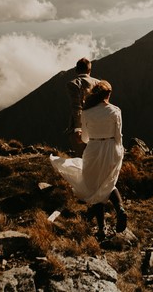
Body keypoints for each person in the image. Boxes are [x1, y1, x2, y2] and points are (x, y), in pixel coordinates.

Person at [50, 80, 128, 240]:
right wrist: (118, 151)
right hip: (112, 149)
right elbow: (118, 136)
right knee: (109, 182)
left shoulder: (87, 112)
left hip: (93, 149)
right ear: (108, 94)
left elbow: (84, 138)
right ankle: (120, 209)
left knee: (94, 187)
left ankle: (101, 229)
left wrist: (79, 135)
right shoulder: (116, 111)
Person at [66, 58, 99, 154]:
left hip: (81, 126)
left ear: (76, 70)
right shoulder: (98, 83)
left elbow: (77, 107)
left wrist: (78, 128)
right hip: (98, 124)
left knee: (83, 157)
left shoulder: (73, 84)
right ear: (89, 70)